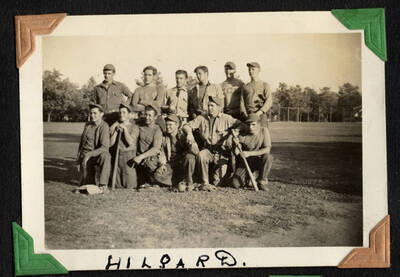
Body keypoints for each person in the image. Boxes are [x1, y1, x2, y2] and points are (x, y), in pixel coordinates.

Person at [182, 96, 241, 190]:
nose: (210, 108)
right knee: (201, 155)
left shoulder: (226, 118)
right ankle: (205, 182)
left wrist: (231, 135)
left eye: (212, 106)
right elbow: (186, 126)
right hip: (208, 150)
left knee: (217, 182)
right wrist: (189, 133)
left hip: (222, 152)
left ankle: (220, 177)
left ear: (219, 107)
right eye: (208, 106)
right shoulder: (202, 118)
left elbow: (241, 125)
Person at [230, 113, 273, 191]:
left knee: (268, 157)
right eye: (248, 125)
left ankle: (261, 182)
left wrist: (249, 153)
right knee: (235, 184)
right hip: (246, 162)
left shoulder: (264, 131)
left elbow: (267, 149)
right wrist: (235, 143)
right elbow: (236, 152)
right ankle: (249, 178)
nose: (250, 127)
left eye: (253, 124)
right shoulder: (242, 134)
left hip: (259, 160)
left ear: (259, 124)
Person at [134, 104, 172, 188]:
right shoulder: (140, 126)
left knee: (151, 163)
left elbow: (155, 148)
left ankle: (154, 182)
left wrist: (141, 156)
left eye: (150, 115)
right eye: (146, 115)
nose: (147, 117)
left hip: (150, 158)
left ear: (155, 117)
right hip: (139, 159)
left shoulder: (157, 129)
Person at [76, 103, 111, 192]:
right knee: (88, 184)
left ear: (101, 114)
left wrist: (89, 154)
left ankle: (103, 184)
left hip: (96, 155)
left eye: (95, 113)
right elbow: (82, 142)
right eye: (91, 113)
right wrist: (78, 158)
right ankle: (88, 180)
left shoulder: (104, 126)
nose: (92, 115)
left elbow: (104, 147)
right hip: (85, 156)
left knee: (106, 156)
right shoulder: (87, 125)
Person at [109, 103, 139, 189]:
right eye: (120, 112)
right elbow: (111, 144)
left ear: (129, 114)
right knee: (117, 184)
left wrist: (125, 129)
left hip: (129, 158)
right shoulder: (114, 125)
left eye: (124, 112)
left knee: (130, 185)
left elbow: (131, 142)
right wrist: (115, 131)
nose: (121, 114)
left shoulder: (134, 127)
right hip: (117, 157)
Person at [131, 65, 166, 131]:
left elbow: (158, 104)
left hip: (156, 118)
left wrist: (142, 102)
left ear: (154, 77)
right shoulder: (138, 90)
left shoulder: (159, 88)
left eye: (149, 75)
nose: (146, 77)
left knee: (164, 131)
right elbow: (134, 106)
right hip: (142, 117)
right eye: (145, 75)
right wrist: (152, 106)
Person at [160, 114, 192, 187]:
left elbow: (190, 150)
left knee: (190, 158)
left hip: (183, 163)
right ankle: (175, 181)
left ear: (177, 125)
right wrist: (162, 164)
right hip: (171, 163)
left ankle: (186, 180)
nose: (168, 127)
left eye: (170, 125)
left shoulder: (183, 136)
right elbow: (162, 152)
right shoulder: (165, 137)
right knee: (158, 174)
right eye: (166, 125)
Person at [242, 62, 272, 127]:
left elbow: (269, 101)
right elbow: (242, 103)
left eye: (253, 69)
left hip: (261, 116)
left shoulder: (265, 85)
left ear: (259, 70)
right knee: (249, 136)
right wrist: (246, 114)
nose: (250, 71)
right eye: (249, 69)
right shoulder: (245, 86)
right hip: (248, 116)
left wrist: (258, 113)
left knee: (263, 135)